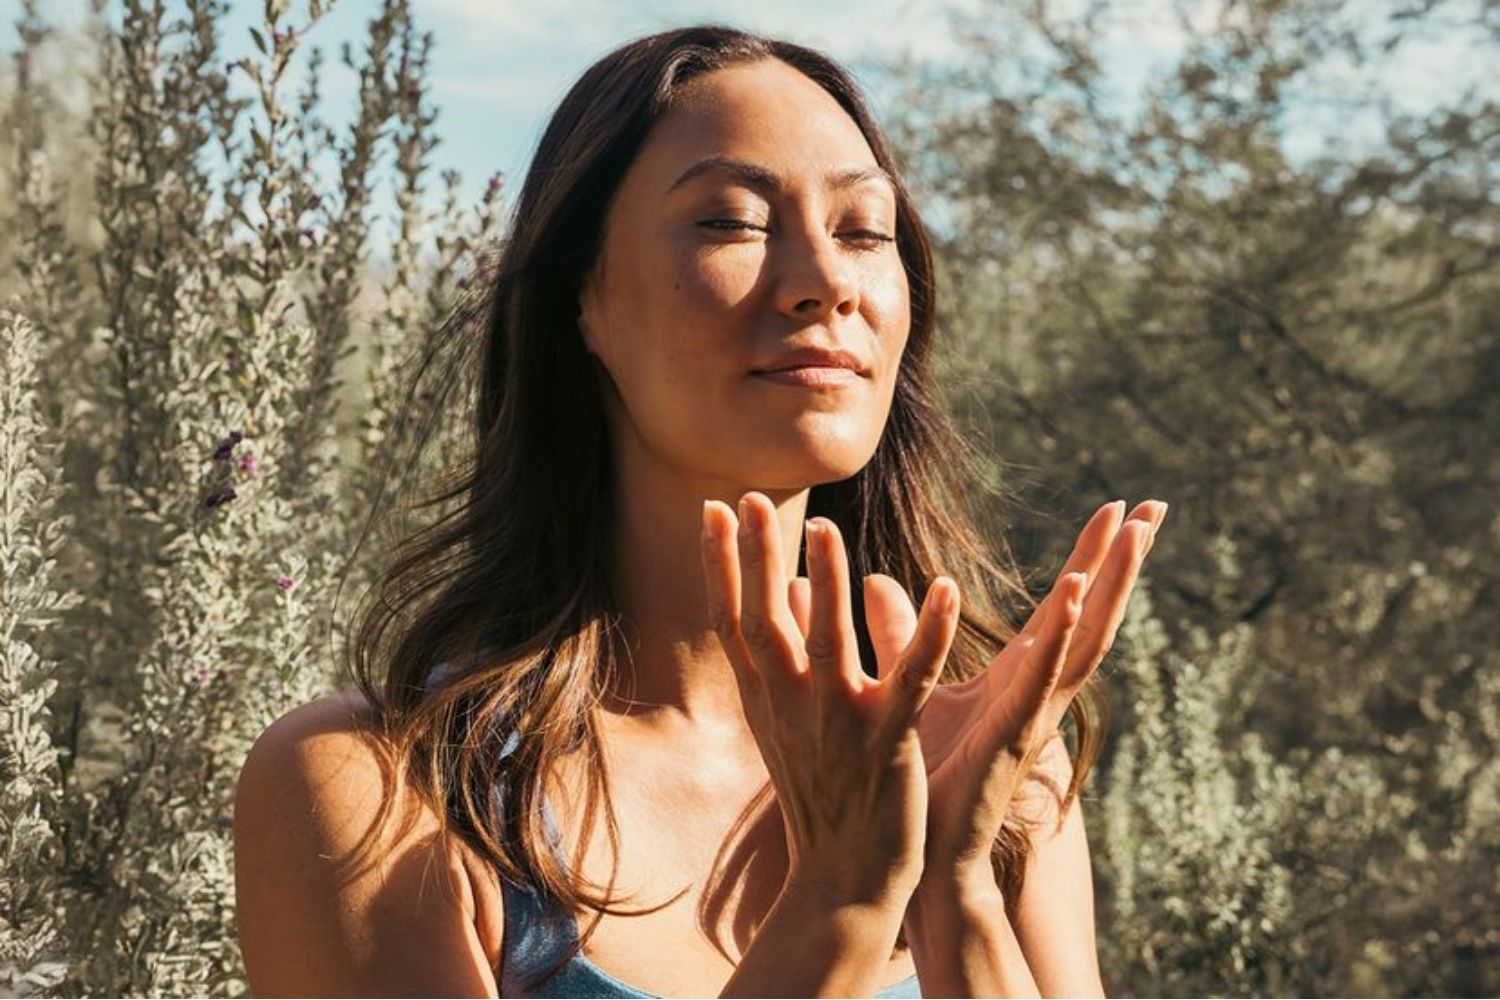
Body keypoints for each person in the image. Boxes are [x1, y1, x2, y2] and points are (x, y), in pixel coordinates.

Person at [233, 22, 1165, 998]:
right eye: (732, 222)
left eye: (863, 229)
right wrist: (842, 898)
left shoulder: (995, 763)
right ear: (582, 302)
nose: (825, 283)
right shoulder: (379, 789)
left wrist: (954, 882)